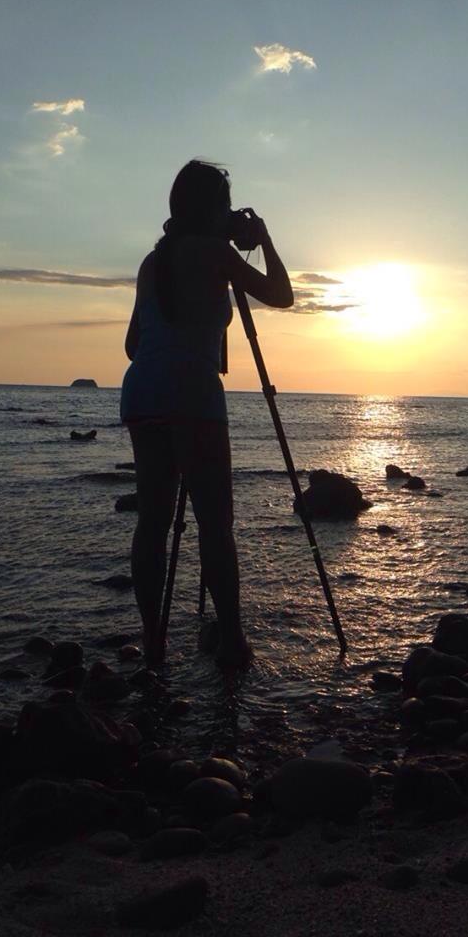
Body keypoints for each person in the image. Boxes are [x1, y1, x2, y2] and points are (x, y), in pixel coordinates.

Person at [120, 159, 293, 668]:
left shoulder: (152, 262)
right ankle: (233, 642)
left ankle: (153, 642)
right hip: (193, 397)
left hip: (142, 396)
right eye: (226, 206)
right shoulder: (217, 253)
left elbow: (132, 345)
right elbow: (282, 295)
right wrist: (264, 239)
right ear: (211, 209)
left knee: (152, 523)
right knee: (216, 525)